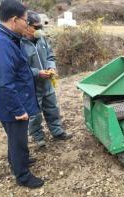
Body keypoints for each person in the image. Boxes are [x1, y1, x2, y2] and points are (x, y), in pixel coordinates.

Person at [0, 0, 44, 188]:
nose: (27, 25)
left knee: (15, 139)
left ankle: (16, 161)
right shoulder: (2, 44)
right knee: (18, 140)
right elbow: (4, 82)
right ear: (14, 20)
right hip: (13, 105)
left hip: (14, 101)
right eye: (25, 20)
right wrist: (18, 109)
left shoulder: (7, 38)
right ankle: (22, 176)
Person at [21, 10, 72, 148]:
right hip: (32, 86)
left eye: (40, 27)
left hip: (47, 83)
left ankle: (57, 131)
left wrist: (51, 67)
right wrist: (37, 73)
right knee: (35, 115)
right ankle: (38, 137)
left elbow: (50, 56)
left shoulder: (42, 39)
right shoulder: (19, 43)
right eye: (36, 27)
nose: (39, 30)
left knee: (52, 108)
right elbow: (20, 68)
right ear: (27, 26)